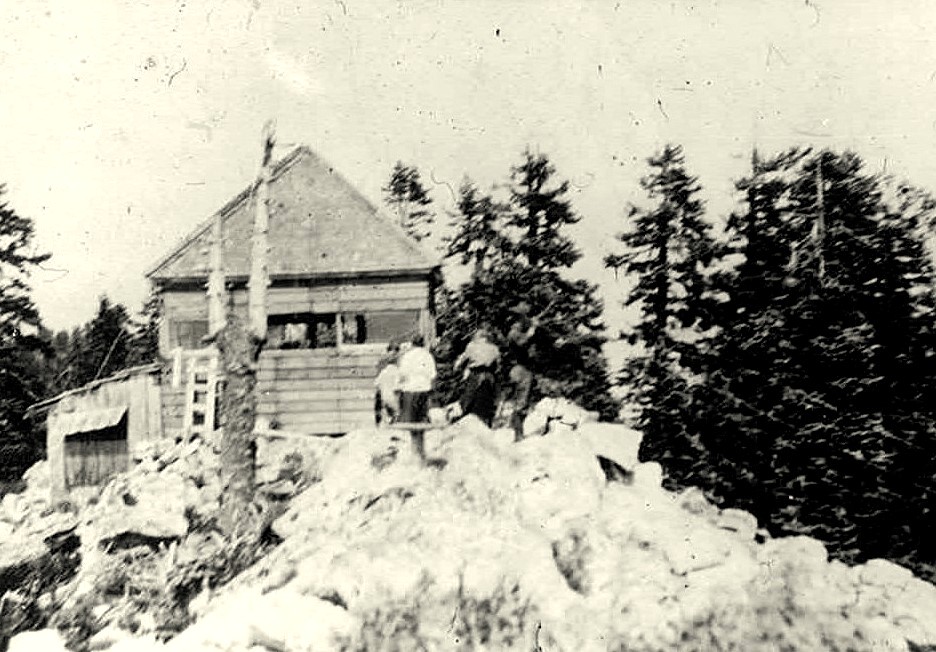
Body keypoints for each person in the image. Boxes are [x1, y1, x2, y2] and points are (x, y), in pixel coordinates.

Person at [397, 334, 437, 459]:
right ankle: (421, 451)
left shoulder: (407, 356)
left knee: (411, 423)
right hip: (424, 390)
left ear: (412, 344)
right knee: (421, 422)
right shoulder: (427, 356)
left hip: (410, 390)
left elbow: (402, 374)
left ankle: (414, 452)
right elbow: (433, 374)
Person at [453, 327, 501, 427]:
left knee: (469, 398)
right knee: (491, 398)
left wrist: (457, 367)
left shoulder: (471, 346)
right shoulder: (494, 348)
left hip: (475, 374)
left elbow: (462, 360)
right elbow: (498, 365)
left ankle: (467, 419)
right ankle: (488, 421)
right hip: (489, 375)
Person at [505, 307, 541, 441]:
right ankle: (517, 433)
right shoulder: (514, 333)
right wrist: (533, 329)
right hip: (521, 369)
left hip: (523, 368)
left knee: (521, 401)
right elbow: (522, 342)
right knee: (521, 402)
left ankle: (515, 430)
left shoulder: (517, 331)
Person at [374, 343, 401, 426]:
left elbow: (377, 383)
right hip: (390, 393)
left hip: (383, 390)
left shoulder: (383, 363)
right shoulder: (389, 363)